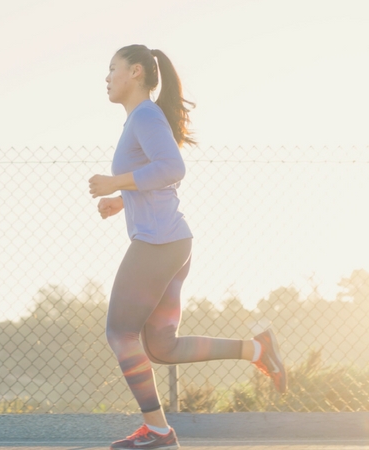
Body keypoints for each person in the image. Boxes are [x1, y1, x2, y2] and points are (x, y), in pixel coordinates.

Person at [88, 44, 287, 450]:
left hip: (159, 243)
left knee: (120, 332)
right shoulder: (141, 119)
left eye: (113, 69)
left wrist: (116, 182)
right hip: (173, 242)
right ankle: (257, 349)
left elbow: (172, 168)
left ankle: (159, 432)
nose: (106, 77)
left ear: (137, 72)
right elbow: (160, 177)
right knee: (161, 346)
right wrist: (122, 200)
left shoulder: (144, 115)